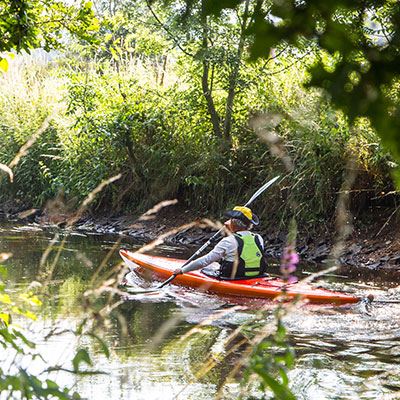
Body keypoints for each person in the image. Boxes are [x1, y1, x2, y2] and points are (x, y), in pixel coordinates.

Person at [173, 206, 266, 279]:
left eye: (229, 220)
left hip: (234, 278)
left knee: (209, 266)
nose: (226, 222)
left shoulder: (228, 241)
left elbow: (205, 261)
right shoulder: (258, 238)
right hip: (257, 276)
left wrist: (182, 270)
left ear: (235, 223)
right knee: (216, 265)